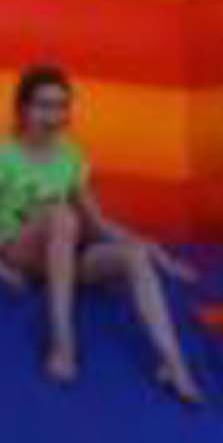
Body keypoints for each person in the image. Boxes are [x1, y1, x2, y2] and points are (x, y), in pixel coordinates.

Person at [0, 65, 199, 402]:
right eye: (43, 106)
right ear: (23, 109)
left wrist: (153, 251)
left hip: (63, 253)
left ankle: (173, 364)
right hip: (20, 250)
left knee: (131, 256)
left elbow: (98, 223)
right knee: (61, 215)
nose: (53, 116)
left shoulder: (71, 157)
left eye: (61, 106)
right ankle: (63, 341)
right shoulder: (6, 156)